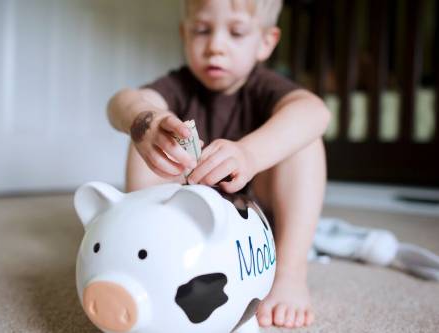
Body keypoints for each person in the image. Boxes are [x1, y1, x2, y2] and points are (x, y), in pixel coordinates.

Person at [107, 0, 330, 328]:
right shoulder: (179, 86)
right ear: (184, 34)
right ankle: (148, 244)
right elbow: (119, 102)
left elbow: (317, 112)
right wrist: (144, 121)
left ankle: (290, 274)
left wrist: (250, 154)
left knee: (305, 138)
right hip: (185, 224)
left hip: (257, 222)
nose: (215, 47)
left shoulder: (264, 88)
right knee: (145, 132)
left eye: (237, 32)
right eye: (201, 31)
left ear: (266, 42)